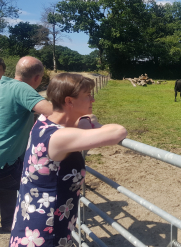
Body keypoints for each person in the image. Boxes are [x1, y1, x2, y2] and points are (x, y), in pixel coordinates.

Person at [9, 73, 128, 247]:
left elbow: (75, 125)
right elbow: (118, 132)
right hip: (46, 230)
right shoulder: (59, 136)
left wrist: (85, 120)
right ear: (69, 101)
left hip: (33, 222)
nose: (92, 100)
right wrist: (95, 126)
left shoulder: (43, 122)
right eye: (87, 96)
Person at [0, 56, 53, 232]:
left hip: (5, 161)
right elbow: (53, 112)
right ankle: (36, 228)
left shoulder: (3, 84)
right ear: (37, 78)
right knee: (37, 187)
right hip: (5, 160)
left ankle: (8, 224)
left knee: (6, 190)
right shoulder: (22, 88)